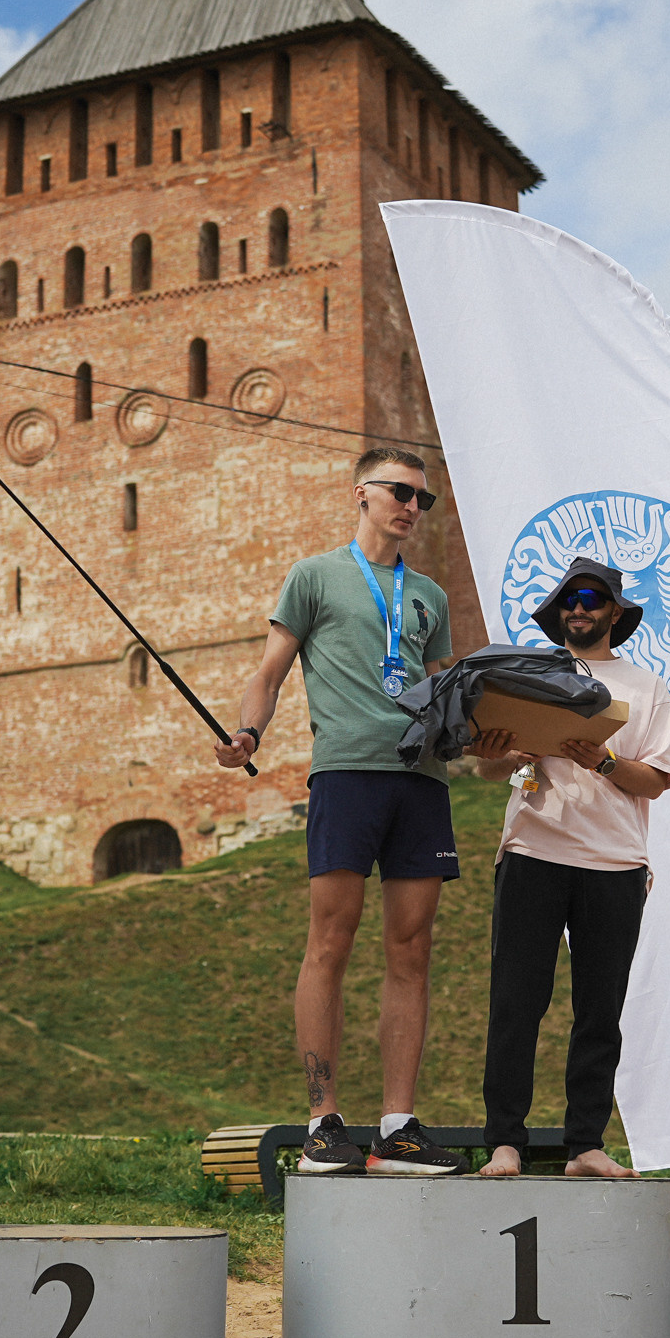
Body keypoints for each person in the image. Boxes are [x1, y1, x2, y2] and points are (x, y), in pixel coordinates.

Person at [213, 446, 463, 1176]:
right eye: (400, 492)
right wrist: (248, 733)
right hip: (348, 774)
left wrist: (494, 736)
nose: (412, 507)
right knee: (331, 940)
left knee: (411, 950)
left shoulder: (430, 596)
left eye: (423, 499)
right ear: (362, 493)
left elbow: (444, 690)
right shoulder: (314, 576)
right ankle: (324, 1121)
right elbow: (270, 672)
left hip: (423, 779)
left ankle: (399, 1125)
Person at [468, 557, 670, 1179]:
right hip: (534, 850)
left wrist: (604, 762)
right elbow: (488, 768)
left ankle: (585, 1144)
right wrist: (496, 750)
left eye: (590, 598)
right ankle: (504, 1140)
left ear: (615, 610)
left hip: (614, 863)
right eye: (568, 599)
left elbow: (659, 780)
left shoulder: (645, 686)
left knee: (600, 1009)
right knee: (515, 1004)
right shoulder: (528, 674)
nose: (578, 608)